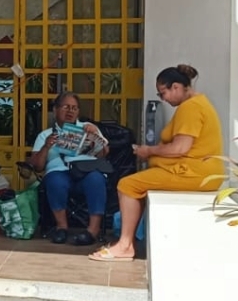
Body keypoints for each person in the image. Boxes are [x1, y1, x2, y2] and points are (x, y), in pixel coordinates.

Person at [90, 64, 224, 262]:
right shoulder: (198, 103)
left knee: (127, 185)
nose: (164, 99)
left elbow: (180, 148)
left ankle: (125, 245)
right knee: (136, 183)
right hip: (199, 172)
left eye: (164, 93)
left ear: (176, 87)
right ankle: (128, 242)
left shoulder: (191, 108)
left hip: (193, 173)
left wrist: (149, 151)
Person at [29, 92, 110, 246]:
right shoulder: (45, 135)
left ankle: (93, 230)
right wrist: (46, 146)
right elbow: (38, 166)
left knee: (97, 179)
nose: (70, 111)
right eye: (66, 107)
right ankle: (61, 227)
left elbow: (104, 154)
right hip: (60, 173)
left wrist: (95, 138)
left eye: (74, 108)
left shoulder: (88, 128)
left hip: (85, 172)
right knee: (54, 180)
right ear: (56, 110)